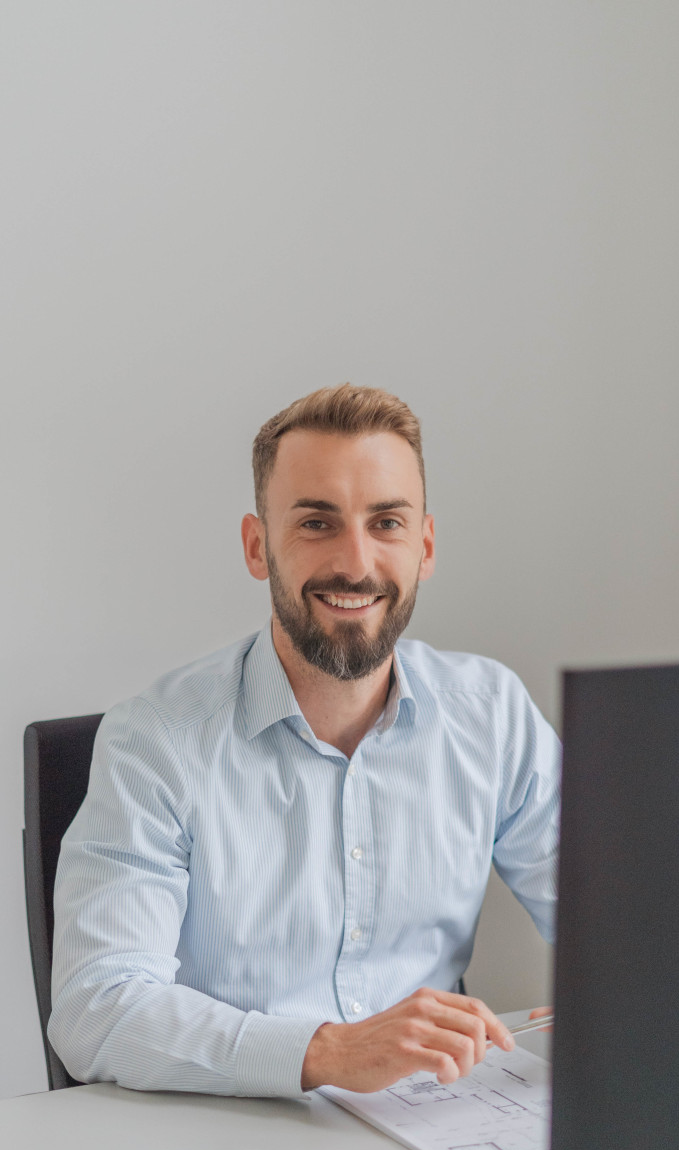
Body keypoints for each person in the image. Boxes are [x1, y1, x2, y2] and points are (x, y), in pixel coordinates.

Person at [49, 384, 560, 1097]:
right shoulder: (155, 741)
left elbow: (617, 921)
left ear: (425, 546)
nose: (356, 561)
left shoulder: (492, 714)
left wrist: (617, 1001)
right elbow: (95, 1008)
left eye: (386, 522)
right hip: (225, 1144)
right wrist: (324, 1053)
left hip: (438, 1128)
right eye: (317, 523)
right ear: (258, 548)